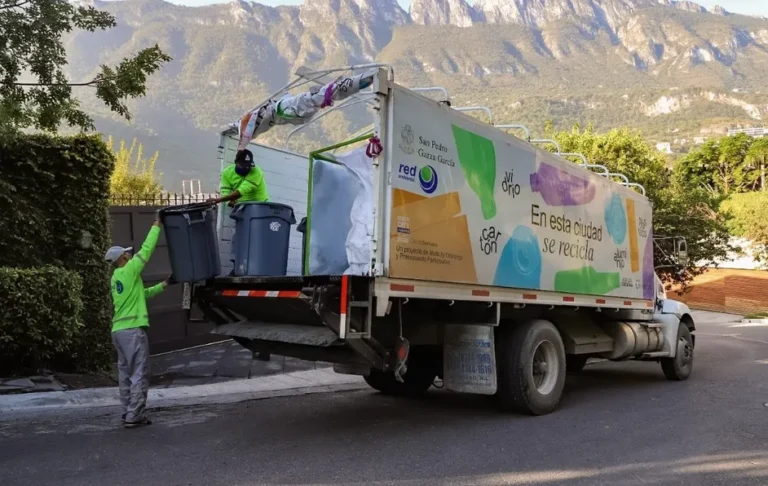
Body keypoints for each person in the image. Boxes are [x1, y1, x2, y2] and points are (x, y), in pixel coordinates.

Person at [104, 212, 174, 428]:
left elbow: (142, 295)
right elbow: (146, 250)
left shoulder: (118, 278)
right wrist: (156, 225)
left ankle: (127, 412)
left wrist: (163, 285)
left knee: (125, 373)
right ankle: (135, 415)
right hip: (133, 331)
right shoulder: (130, 269)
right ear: (123, 259)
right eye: (127, 254)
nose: (130, 256)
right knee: (139, 373)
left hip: (119, 331)